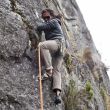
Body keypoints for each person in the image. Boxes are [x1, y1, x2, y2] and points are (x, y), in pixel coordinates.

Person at [37, 8, 65, 104]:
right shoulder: (53, 22)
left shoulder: (53, 21)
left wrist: (42, 25)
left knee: (42, 45)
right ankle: (57, 94)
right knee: (57, 70)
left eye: (47, 17)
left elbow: (40, 27)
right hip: (60, 49)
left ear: (51, 15)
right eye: (44, 18)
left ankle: (48, 70)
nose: (46, 19)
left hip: (57, 43)